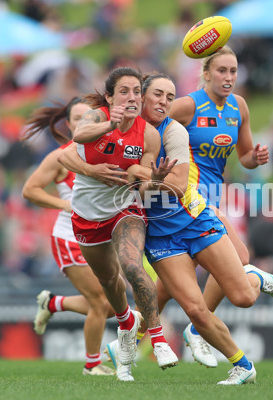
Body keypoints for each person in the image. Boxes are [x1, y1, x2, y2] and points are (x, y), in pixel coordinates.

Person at [60, 72, 266, 384]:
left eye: (170, 97)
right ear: (139, 98)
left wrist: (146, 175)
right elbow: (72, 150)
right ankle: (243, 366)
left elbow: (177, 186)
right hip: (157, 232)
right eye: (157, 94)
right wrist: (104, 170)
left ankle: (251, 277)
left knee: (243, 298)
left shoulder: (169, 134)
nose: (163, 102)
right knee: (194, 309)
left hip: (191, 220)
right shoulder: (105, 119)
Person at [168, 46, 273, 367]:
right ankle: (199, 329)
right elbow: (150, 131)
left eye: (233, 71)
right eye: (222, 71)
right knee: (240, 257)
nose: (229, 77)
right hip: (190, 196)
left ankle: (126, 339)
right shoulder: (186, 105)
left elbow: (246, 157)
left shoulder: (239, 107)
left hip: (213, 197)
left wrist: (257, 158)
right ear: (206, 73)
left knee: (168, 284)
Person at [65, 67, 178, 381]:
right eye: (124, 91)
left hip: (125, 209)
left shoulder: (149, 135)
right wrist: (110, 125)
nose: (132, 97)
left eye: (137, 92)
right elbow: (78, 137)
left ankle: (157, 338)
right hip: (87, 217)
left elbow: (142, 189)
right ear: (110, 96)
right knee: (109, 282)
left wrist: (154, 180)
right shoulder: (95, 117)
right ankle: (127, 323)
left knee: (131, 265)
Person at [21, 97, 117, 376]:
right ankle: (92, 365)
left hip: (101, 239)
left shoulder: (108, 151)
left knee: (111, 304)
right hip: (69, 237)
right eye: (77, 118)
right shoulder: (61, 155)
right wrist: (65, 205)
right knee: (100, 301)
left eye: (89, 116)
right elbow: (30, 190)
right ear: (70, 125)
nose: (83, 122)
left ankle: (53, 303)